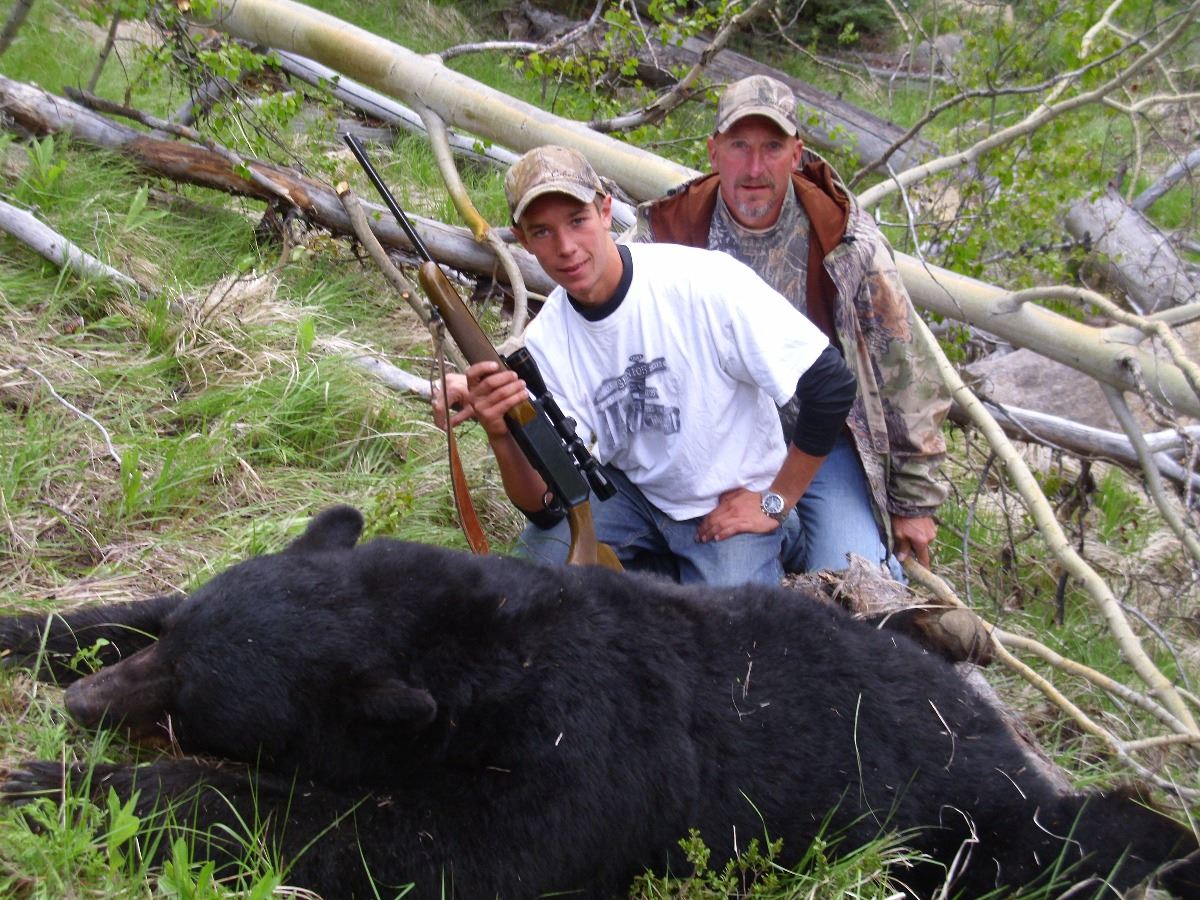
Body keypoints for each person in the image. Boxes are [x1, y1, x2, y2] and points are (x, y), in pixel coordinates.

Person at [464, 144, 857, 586]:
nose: (567, 247)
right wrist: (501, 433)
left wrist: (776, 501)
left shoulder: (702, 282)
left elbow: (831, 385)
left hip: (729, 499)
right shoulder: (546, 342)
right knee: (527, 581)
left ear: (605, 211)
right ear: (522, 240)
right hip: (633, 494)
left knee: (731, 625)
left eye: (577, 221)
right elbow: (546, 507)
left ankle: (783, 538)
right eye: (542, 232)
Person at [633, 75, 951, 577]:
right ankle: (787, 537)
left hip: (819, 444)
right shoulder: (668, 232)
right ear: (714, 152)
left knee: (854, 579)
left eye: (772, 147)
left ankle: (802, 531)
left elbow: (905, 369)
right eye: (739, 146)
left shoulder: (847, 243)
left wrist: (914, 502)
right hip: (713, 448)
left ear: (797, 155)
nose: (754, 168)